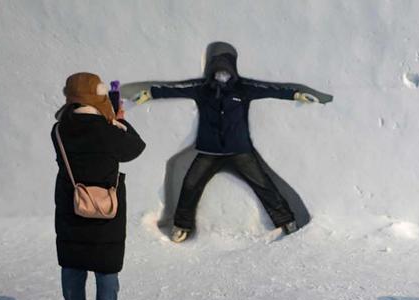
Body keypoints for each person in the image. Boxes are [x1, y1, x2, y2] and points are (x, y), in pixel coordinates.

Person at [130, 42, 332, 242]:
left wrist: (295, 94)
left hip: (239, 150)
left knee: (263, 184)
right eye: (217, 71)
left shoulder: (243, 89)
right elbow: (177, 89)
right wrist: (151, 93)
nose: (221, 75)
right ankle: (182, 226)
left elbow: (270, 89)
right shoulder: (203, 89)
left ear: (232, 71)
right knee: (191, 184)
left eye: (225, 71)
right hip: (209, 151)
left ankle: (287, 221)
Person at [53, 72, 146, 300]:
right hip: (106, 203)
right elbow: (135, 148)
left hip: (71, 200)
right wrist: (118, 122)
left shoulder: (59, 128)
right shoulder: (107, 129)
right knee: (106, 259)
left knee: (72, 257)